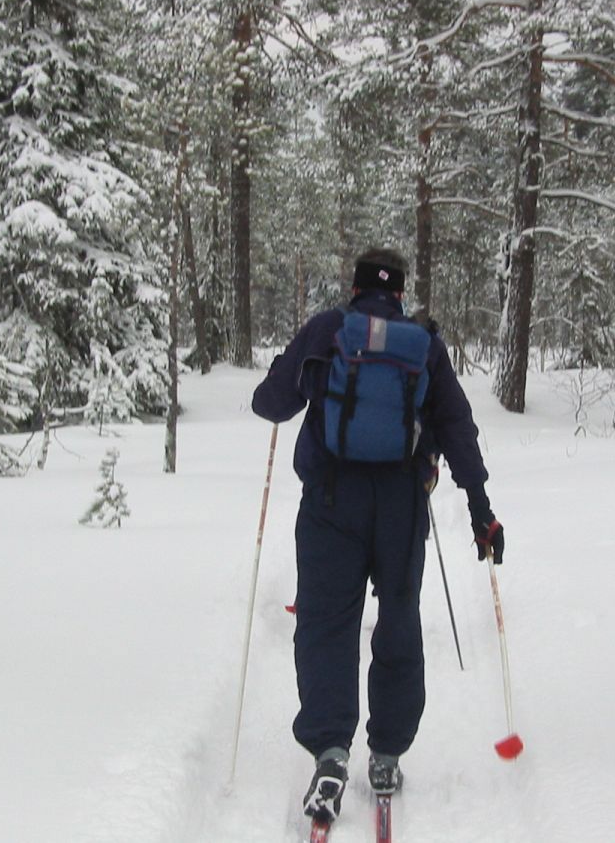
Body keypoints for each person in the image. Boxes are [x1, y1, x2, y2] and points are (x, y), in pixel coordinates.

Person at [251, 247, 505, 823]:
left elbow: (271, 403)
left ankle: (330, 751)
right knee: (398, 621)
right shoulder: (424, 344)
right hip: (400, 505)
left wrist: (288, 370)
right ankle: (386, 754)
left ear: (356, 287)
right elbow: (457, 427)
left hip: (330, 502)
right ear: (400, 293)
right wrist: (481, 510)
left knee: (326, 622)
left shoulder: (328, 330)